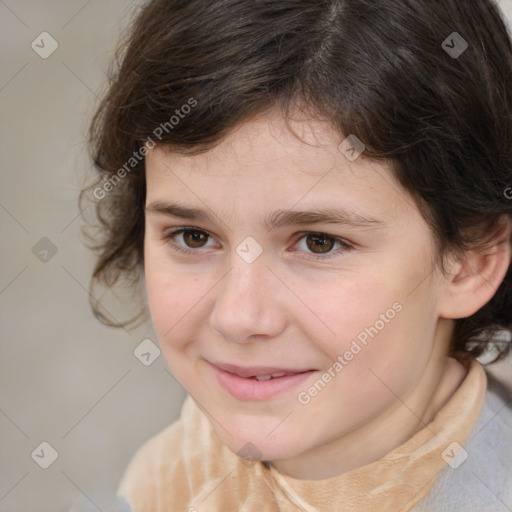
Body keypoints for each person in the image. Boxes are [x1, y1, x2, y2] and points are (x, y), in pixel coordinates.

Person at [82, 0, 512, 510]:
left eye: (318, 242)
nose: (238, 318)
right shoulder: (157, 483)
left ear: (471, 260)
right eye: (193, 237)